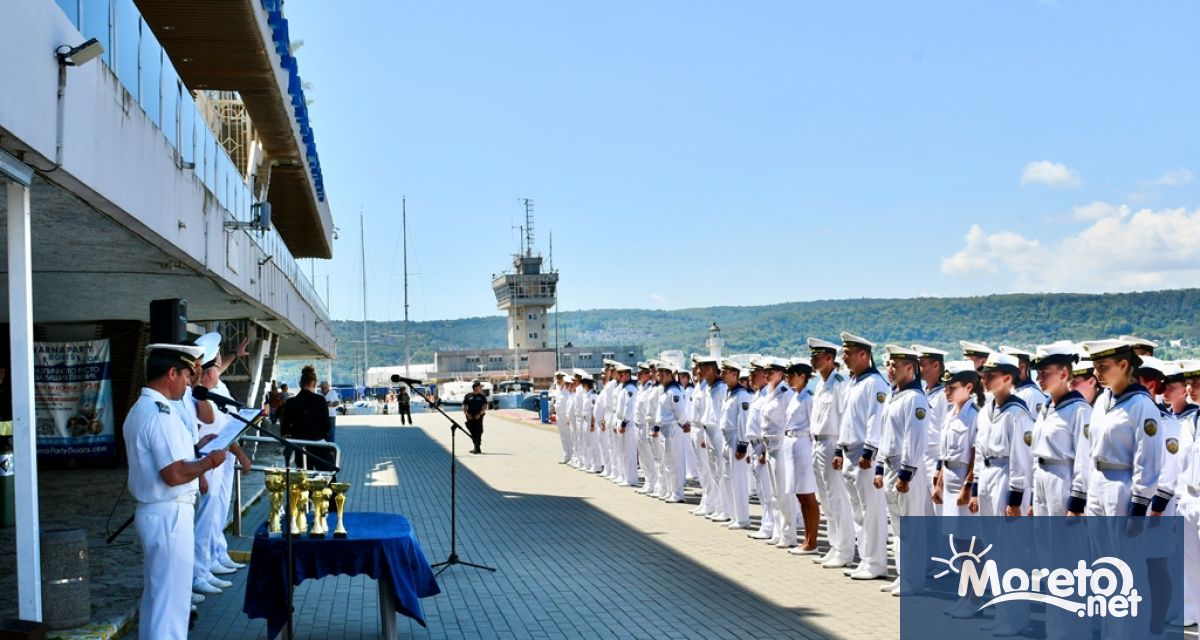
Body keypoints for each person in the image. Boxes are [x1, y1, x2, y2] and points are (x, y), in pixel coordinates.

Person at [125, 343, 227, 640]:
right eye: (186, 375)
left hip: (160, 513)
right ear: (171, 373)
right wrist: (209, 461)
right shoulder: (159, 415)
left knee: (159, 601)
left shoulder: (144, 408)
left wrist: (198, 454)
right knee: (172, 605)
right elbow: (174, 474)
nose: (189, 383)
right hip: (168, 514)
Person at [833, 332, 891, 581]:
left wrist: (869, 451)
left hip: (864, 454)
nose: (844, 358)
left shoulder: (875, 383)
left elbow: (875, 419)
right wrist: (838, 449)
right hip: (849, 452)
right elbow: (846, 419)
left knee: (872, 511)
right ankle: (866, 559)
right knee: (858, 512)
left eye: (848, 353)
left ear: (863, 354)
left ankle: (876, 562)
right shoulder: (853, 382)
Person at [806, 338, 855, 568]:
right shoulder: (819, 384)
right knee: (825, 499)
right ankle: (835, 545)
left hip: (832, 443)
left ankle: (845, 550)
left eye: (817, 355)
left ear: (829, 358)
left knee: (837, 498)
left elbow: (844, 418)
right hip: (817, 443)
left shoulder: (838, 384)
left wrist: (839, 450)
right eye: (812, 355)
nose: (812, 359)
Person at [1028, 342, 1091, 516]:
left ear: (1063, 373)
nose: (1039, 378)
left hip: (1062, 479)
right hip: (1041, 479)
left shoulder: (1079, 410)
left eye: (1044, 373)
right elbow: (1036, 453)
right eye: (1038, 373)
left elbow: (1084, 459)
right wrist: (1034, 494)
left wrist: (1077, 503)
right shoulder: (1046, 409)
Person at [280, 366, 333, 470]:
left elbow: (285, 428)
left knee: (304, 480)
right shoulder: (320, 400)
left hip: (300, 447)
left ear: (300, 384)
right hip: (318, 446)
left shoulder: (291, 402)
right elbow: (327, 426)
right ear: (314, 384)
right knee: (326, 479)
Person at [463, 381, 488, 454]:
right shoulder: (468, 396)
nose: (481, 388)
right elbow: (465, 406)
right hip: (470, 417)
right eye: (480, 387)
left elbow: (485, 407)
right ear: (476, 388)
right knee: (472, 432)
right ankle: (476, 447)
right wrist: (467, 414)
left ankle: (477, 447)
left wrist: (479, 414)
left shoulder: (482, 396)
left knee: (479, 431)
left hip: (479, 417)